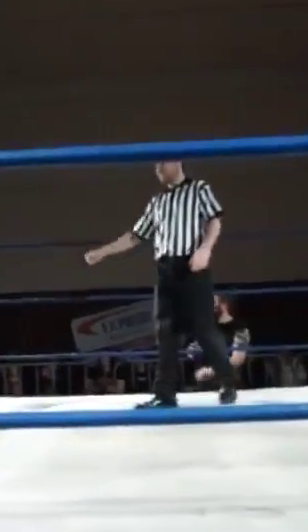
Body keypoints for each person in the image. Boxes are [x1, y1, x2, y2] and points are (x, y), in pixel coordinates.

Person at [85, 161, 238, 407]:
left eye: (161, 164)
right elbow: (135, 236)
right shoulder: (157, 201)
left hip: (192, 266)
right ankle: (164, 394)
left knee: (203, 329)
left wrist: (206, 249)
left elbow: (214, 220)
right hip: (166, 270)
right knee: (165, 332)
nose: (157, 169)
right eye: (155, 165)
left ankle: (228, 383)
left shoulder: (198, 188)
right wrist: (103, 252)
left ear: (176, 162)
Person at [188, 294, 250, 389]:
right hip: (203, 385)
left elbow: (238, 359)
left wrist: (213, 371)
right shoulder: (204, 328)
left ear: (224, 304)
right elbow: (192, 353)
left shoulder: (240, 329)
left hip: (230, 384)